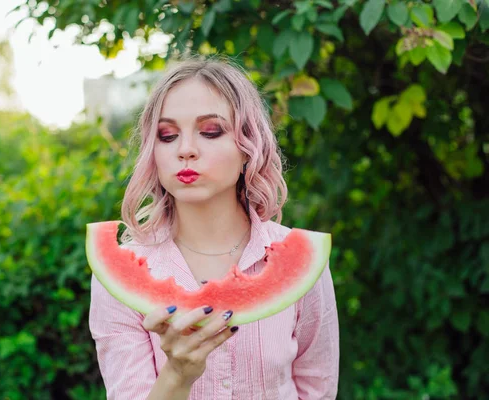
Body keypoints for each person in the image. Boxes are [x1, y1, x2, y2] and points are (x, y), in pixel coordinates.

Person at [89, 57, 339, 400]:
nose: (185, 150)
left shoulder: (302, 262)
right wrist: (177, 375)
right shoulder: (115, 278)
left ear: (247, 148)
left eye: (210, 131)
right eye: (167, 135)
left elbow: (318, 391)